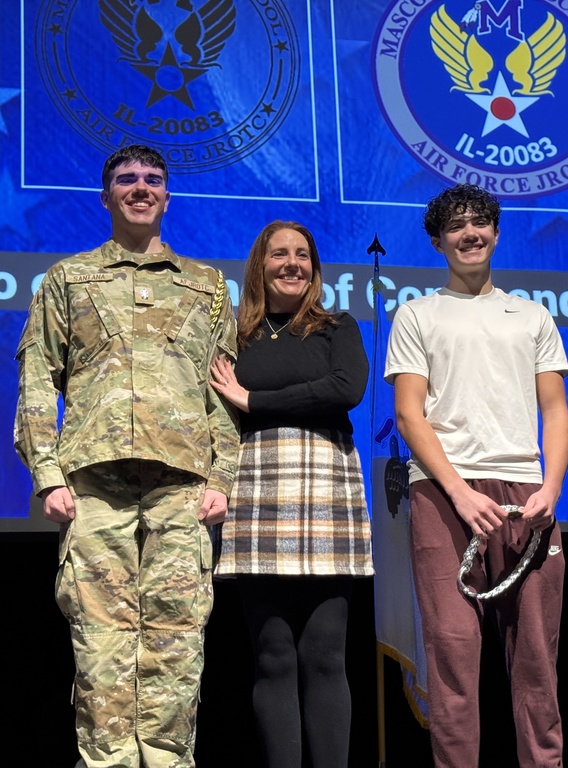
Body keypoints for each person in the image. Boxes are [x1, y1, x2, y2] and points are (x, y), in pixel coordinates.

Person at [14, 144, 239, 767]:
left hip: (181, 488)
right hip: (93, 486)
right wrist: (47, 475)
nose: (141, 188)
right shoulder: (68, 278)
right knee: (101, 649)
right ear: (106, 195)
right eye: (126, 180)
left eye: (153, 179)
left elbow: (223, 390)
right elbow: (38, 380)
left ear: (168, 195)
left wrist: (222, 475)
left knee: (176, 646)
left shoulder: (208, 286)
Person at [385, 183, 568, 767]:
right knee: (453, 653)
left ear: (495, 231)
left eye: (480, 222)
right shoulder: (417, 313)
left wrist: (551, 489)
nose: (471, 233)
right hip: (444, 494)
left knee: (537, 659)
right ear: (438, 240)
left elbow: (555, 410)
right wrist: (460, 493)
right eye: (457, 225)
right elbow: (409, 413)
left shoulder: (533, 314)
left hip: (526, 495)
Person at [210, 221, 373, 767]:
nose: (292, 263)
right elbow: (217, 404)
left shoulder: (337, 326)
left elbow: (345, 389)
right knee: (273, 654)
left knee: (325, 652)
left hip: (326, 486)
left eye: (302, 254)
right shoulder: (235, 335)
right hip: (257, 486)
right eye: (279, 253)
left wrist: (254, 400)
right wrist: (259, 401)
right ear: (260, 263)